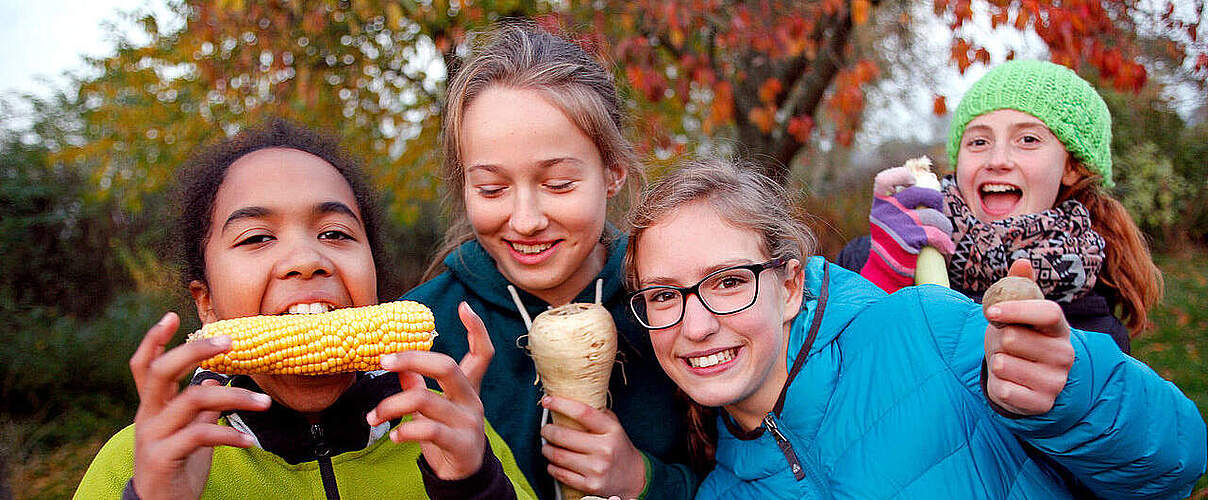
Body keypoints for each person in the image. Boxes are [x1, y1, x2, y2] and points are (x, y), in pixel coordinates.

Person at [623, 156, 1206, 499]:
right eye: (664, 295)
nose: (695, 326)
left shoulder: (925, 328)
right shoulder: (724, 492)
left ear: (791, 286)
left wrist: (1071, 394)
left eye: (728, 281)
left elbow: (1178, 459)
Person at [74, 119, 536, 500]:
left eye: (335, 233)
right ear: (206, 303)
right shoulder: (135, 464)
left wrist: (473, 485)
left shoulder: (453, 432)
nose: (307, 260)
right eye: (256, 237)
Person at [403, 22, 695, 499]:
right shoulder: (427, 332)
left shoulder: (677, 305)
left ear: (613, 172)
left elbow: (747, 474)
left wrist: (647, 481)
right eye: (492, 189)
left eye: (558, 184)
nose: (526, 220)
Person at [838, 59, 1162, 354]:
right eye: (979, 142)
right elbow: (810, 386)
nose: (997, 160)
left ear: (1072, 167)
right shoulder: (865, 258)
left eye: (1028, 140)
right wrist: (879, 280)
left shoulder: (1095, 333)